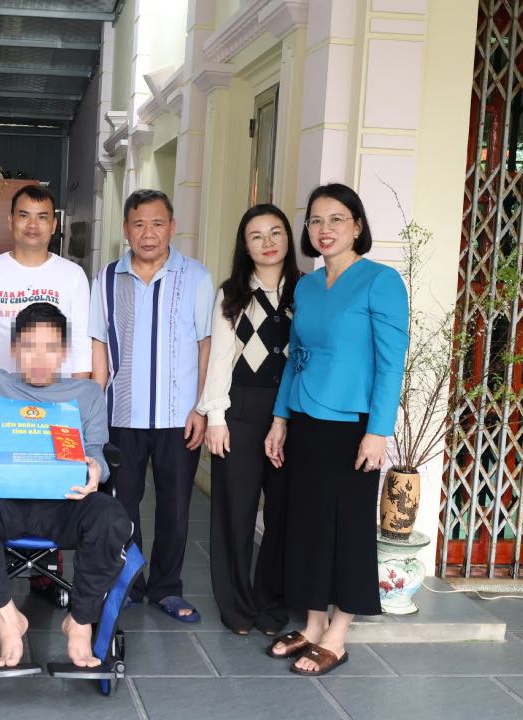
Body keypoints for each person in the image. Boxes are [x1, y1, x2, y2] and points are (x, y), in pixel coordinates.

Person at [264, 183, 408, 676]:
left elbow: (392, 365)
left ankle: (338, 633)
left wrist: (379, 431)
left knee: (347, 529)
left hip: (353, 428)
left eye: (336, 220)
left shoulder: (380, 281)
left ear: (358, 226)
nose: (324, 230)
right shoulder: (305, 285)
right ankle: (310, 623)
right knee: (305, 524)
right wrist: (281, 417)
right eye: (316, 221)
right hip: (305, 419)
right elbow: (295, 359)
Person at [0, 303, 133, 668]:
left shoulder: (87, 394)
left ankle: (79, 622)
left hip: (67, 503)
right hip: (2, 500)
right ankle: (7, 616)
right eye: (30, 346)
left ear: (64, 352)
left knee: (112, 518)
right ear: (15, 348)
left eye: (51, 348)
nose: (40, 358)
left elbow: (96, 452)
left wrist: (96, 469)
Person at [88, 189, 214, 623]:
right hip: (120, 415)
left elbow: (206, 345)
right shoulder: (104, 280)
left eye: (157, 223)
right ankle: (129, 583)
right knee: (122, 506)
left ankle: (166, 587)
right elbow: (99, 347)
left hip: (178, 417)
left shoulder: (196, 277)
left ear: (172, 227)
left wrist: (201, 408)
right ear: (125, 230)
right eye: (139, 224)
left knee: (176, 507)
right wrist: (94, 414)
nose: (148, 233)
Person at [197, 204, 300, 636]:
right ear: (245, 245)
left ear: (289, 238)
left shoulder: (308, 291)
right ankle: (236, 606)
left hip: (293, 414)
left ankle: (271, 604)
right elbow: (220, 358)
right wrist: (215, 417)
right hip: (239, 410)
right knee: (235, 514)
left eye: (275, 232)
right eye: (256, 235)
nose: (268, 242)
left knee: (283, 514)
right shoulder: (232, 293)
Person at [0, 184, 91, 392]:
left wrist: (79, 404)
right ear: (10, 221)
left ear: (54, 224)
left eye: (42, 217)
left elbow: (81, 345)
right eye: (24, 215)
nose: (32, 225)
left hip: (57, 398)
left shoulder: (74, 275)